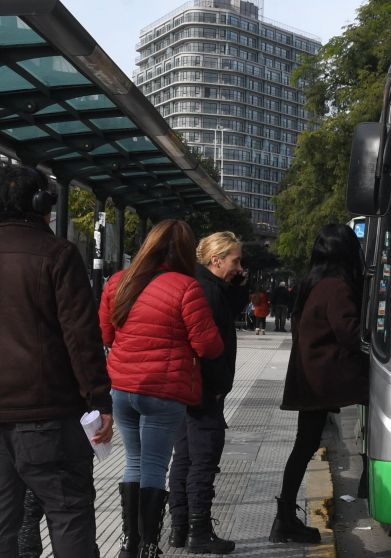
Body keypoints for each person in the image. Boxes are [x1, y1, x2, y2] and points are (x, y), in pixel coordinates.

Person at [0, 165, 114, 558]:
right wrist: (100, 400)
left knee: (3, 525)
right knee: (69, 516)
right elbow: (81, 338)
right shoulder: (58, 255)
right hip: (48, 415)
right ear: (41, 204)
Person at [99, 219, 224, 558]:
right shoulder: (186, 287)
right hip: (163, 391)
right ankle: (150, 545)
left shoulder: (118, 283)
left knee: (134, 462)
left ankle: (128, 544)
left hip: (122, 389)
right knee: (155, 465)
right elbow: (208, 345)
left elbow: (107, 336)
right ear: (185, 251)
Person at [269, 224, 368, 544]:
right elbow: (349, 333)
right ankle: (284, 518)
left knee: (305, 445)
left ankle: (284, 517)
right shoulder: (337, 287)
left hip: (309, 377)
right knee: (379, 405)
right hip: (326, 379)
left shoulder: (312, 283)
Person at [168, 232, 246, 554]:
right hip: (204, 391)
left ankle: (179, 528)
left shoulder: (202, 285)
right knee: (203, 459)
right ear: (216, 260)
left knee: (183, 458)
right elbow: (208, 347)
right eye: (235, 260)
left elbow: (231, 305)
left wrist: (238, 283)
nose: (239, 267)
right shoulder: (208, 292)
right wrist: (215, 388)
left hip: (189, 389)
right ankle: (199, 531)